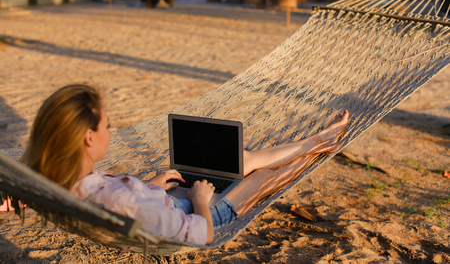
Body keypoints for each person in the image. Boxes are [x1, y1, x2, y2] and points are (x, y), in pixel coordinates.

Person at [20, 84, 349, 245]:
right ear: (89, 138)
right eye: (107, 126)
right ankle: (318, 146)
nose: (112, 131)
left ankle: (315, 141)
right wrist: (201, 201)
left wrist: (151, 184)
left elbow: (128, 204)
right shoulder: (119, 200)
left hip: (162, 200)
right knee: (263, 175)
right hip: (201, 215)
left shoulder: (58, 178)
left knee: (240, 160)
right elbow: (203, 234)